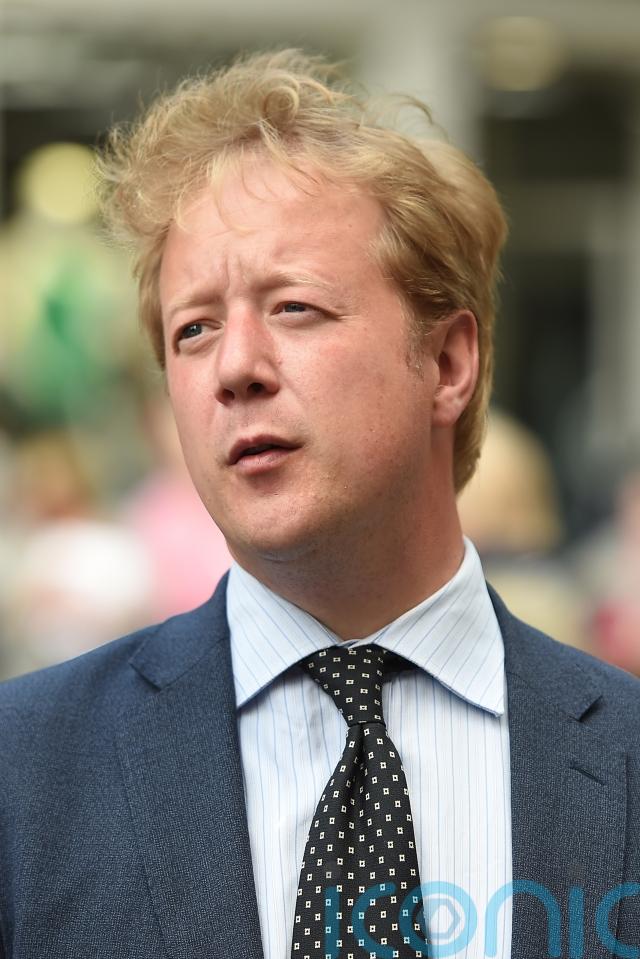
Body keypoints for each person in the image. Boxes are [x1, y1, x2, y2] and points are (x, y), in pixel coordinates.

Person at [0, 50, 638, 959]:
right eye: (193, 329)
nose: (235, 367)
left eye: (293, 307)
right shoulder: (25, 773)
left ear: (447, 363)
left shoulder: (621, 756)